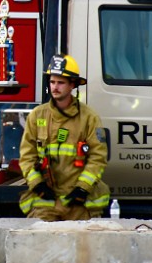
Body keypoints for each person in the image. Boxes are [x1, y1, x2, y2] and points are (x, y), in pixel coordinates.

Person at [18, 54, 111, 220]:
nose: (55, 87)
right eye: (52, 82)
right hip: (46, 203)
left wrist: (82, 188)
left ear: (72, 85)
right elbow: (27, 157)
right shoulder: (37, 116)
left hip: (79, 202)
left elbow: (98, 157)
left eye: (60, 83)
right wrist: (37, 184)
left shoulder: (89, 118)